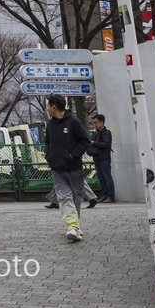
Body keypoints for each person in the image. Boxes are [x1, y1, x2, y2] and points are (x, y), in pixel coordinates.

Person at [45, 94, 92, 242]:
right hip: (56, 168)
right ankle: (72, 226)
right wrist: (48, 155)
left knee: (76, 198)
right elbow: (47, 143)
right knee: (64, 197)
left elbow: (85, 141)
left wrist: (73, 155)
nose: (47, 108)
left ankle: (75, 227)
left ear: (54, 107)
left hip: (74, 168)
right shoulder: (50, 125)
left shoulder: (74, 122)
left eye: (48, 105)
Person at [90, 114, 115, 203]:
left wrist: (93, 143)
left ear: (101, 122)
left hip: (104, 158)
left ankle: (111, 196)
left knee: (107, 177)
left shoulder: (107, 133)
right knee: (101, 178)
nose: (95, 125)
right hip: (97, 157)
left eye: (96, 123)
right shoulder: (95, 133)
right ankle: (105, 195)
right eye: (94, 123)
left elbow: (106, 144)